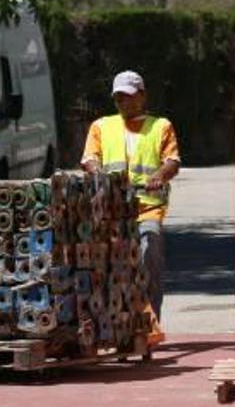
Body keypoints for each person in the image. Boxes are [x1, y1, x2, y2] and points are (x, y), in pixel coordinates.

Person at [81, 70, 180, 345]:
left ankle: (149, 325)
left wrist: (160, 175)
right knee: (105, 263)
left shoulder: (160, 126)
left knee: (149, 248)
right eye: (119, 99)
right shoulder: (102, 126)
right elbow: (89, 158)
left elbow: (172, 161)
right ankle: (109, 325)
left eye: (129, 97)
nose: (124, 103)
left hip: (147, 206)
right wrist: (97, 173)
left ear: (142, 96)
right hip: (113, 208)